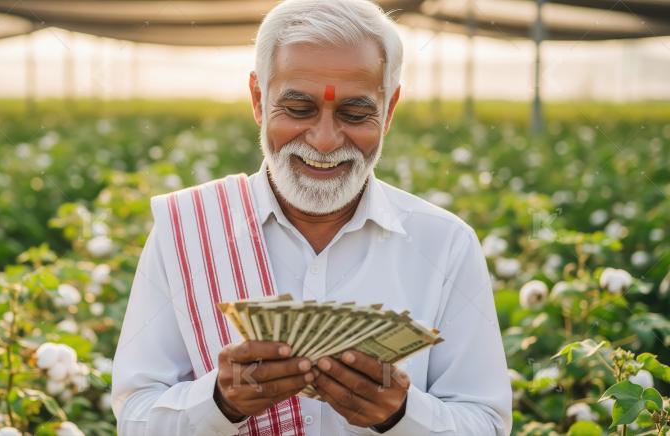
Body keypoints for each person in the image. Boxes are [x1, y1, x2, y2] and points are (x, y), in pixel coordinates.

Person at [111, 0, 513, 434]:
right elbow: (135, 417)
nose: (324, 140)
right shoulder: (187, 231)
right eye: (298, 109)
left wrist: (401, 413)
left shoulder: (444, 243)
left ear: (390, 110)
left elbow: (486, 423)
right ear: (258, 99)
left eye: (355, 114)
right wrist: (218, 402)